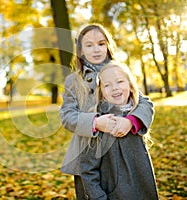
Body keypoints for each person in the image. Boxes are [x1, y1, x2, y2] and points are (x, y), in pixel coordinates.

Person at [59, 24, 158, 199]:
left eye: (101, 43)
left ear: (108, 46)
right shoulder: (73, 81)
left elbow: (144, 102)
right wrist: (95, 122)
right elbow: (67, 116)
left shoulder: (118, 71)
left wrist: (130, 121)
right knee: (94, 192)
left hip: (125, 148)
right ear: (81, 50)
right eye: (89, 45)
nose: (96, 49)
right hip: (90, 151)